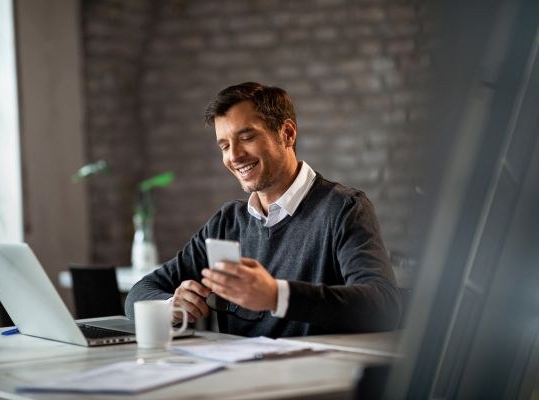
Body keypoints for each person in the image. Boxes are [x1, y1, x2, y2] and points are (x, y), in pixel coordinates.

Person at [125, 82, 401, 337]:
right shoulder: (227, 223)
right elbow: (139, 293)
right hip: (238, 380)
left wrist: (276, 295)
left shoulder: (344, 209)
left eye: (246, 137)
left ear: (287, 133)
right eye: (224, 145)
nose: (234, 156)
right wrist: (171, 304)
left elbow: (383, 308)